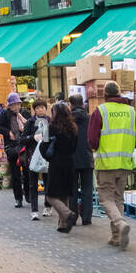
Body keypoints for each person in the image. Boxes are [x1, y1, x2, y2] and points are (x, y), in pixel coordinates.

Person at [88, 80, 136, 249]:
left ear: (105, 94)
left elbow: (92, 139)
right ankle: (116, 237)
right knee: (118, 198)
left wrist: (97, 148)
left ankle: (119, 223)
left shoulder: (101, 111)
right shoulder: (132, 112)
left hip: (106, 163)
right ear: (119, 94)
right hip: (125, 163)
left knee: (105, 198)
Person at [39, 100, 78, 233]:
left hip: (56, 164)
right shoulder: (73, 128)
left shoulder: (50, 128)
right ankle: (64, 225)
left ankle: (68, 215)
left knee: (51, 195)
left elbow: (43, 148)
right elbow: (75, 147)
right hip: (69, 163)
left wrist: (49, 157)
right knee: (64, 194)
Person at [0, 92, 29, 208]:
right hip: (12, 147)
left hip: (24, 145)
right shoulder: (5, 115)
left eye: (18, 104)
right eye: (13, 105)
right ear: (9, 105)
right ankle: (18, 198)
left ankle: (28, 194)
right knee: (15, 173)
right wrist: (7, 132)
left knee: (27, 171)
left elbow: (30, 125)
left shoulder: (24, 113)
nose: (16, 107)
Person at [22, 96, 50, 219]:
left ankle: (48, 206)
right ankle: (34, 210)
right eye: (38, 108)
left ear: (46, 109)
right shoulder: (30, 122)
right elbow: (22, 139)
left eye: (43, 108)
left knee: (48, 183)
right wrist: (31, 138)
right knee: (33, 184)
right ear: (34, 110)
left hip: (47, 157)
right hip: (32, 157)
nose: (40, 110)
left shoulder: (50, 121)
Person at [69, 93, 94, 225]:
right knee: (87, 189)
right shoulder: (89, 118)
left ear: (71, 105)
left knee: (72, 189)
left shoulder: (68, 119)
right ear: (82, 104)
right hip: (86, 156)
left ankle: (72, 217)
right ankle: (86, 218)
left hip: (71, 158)